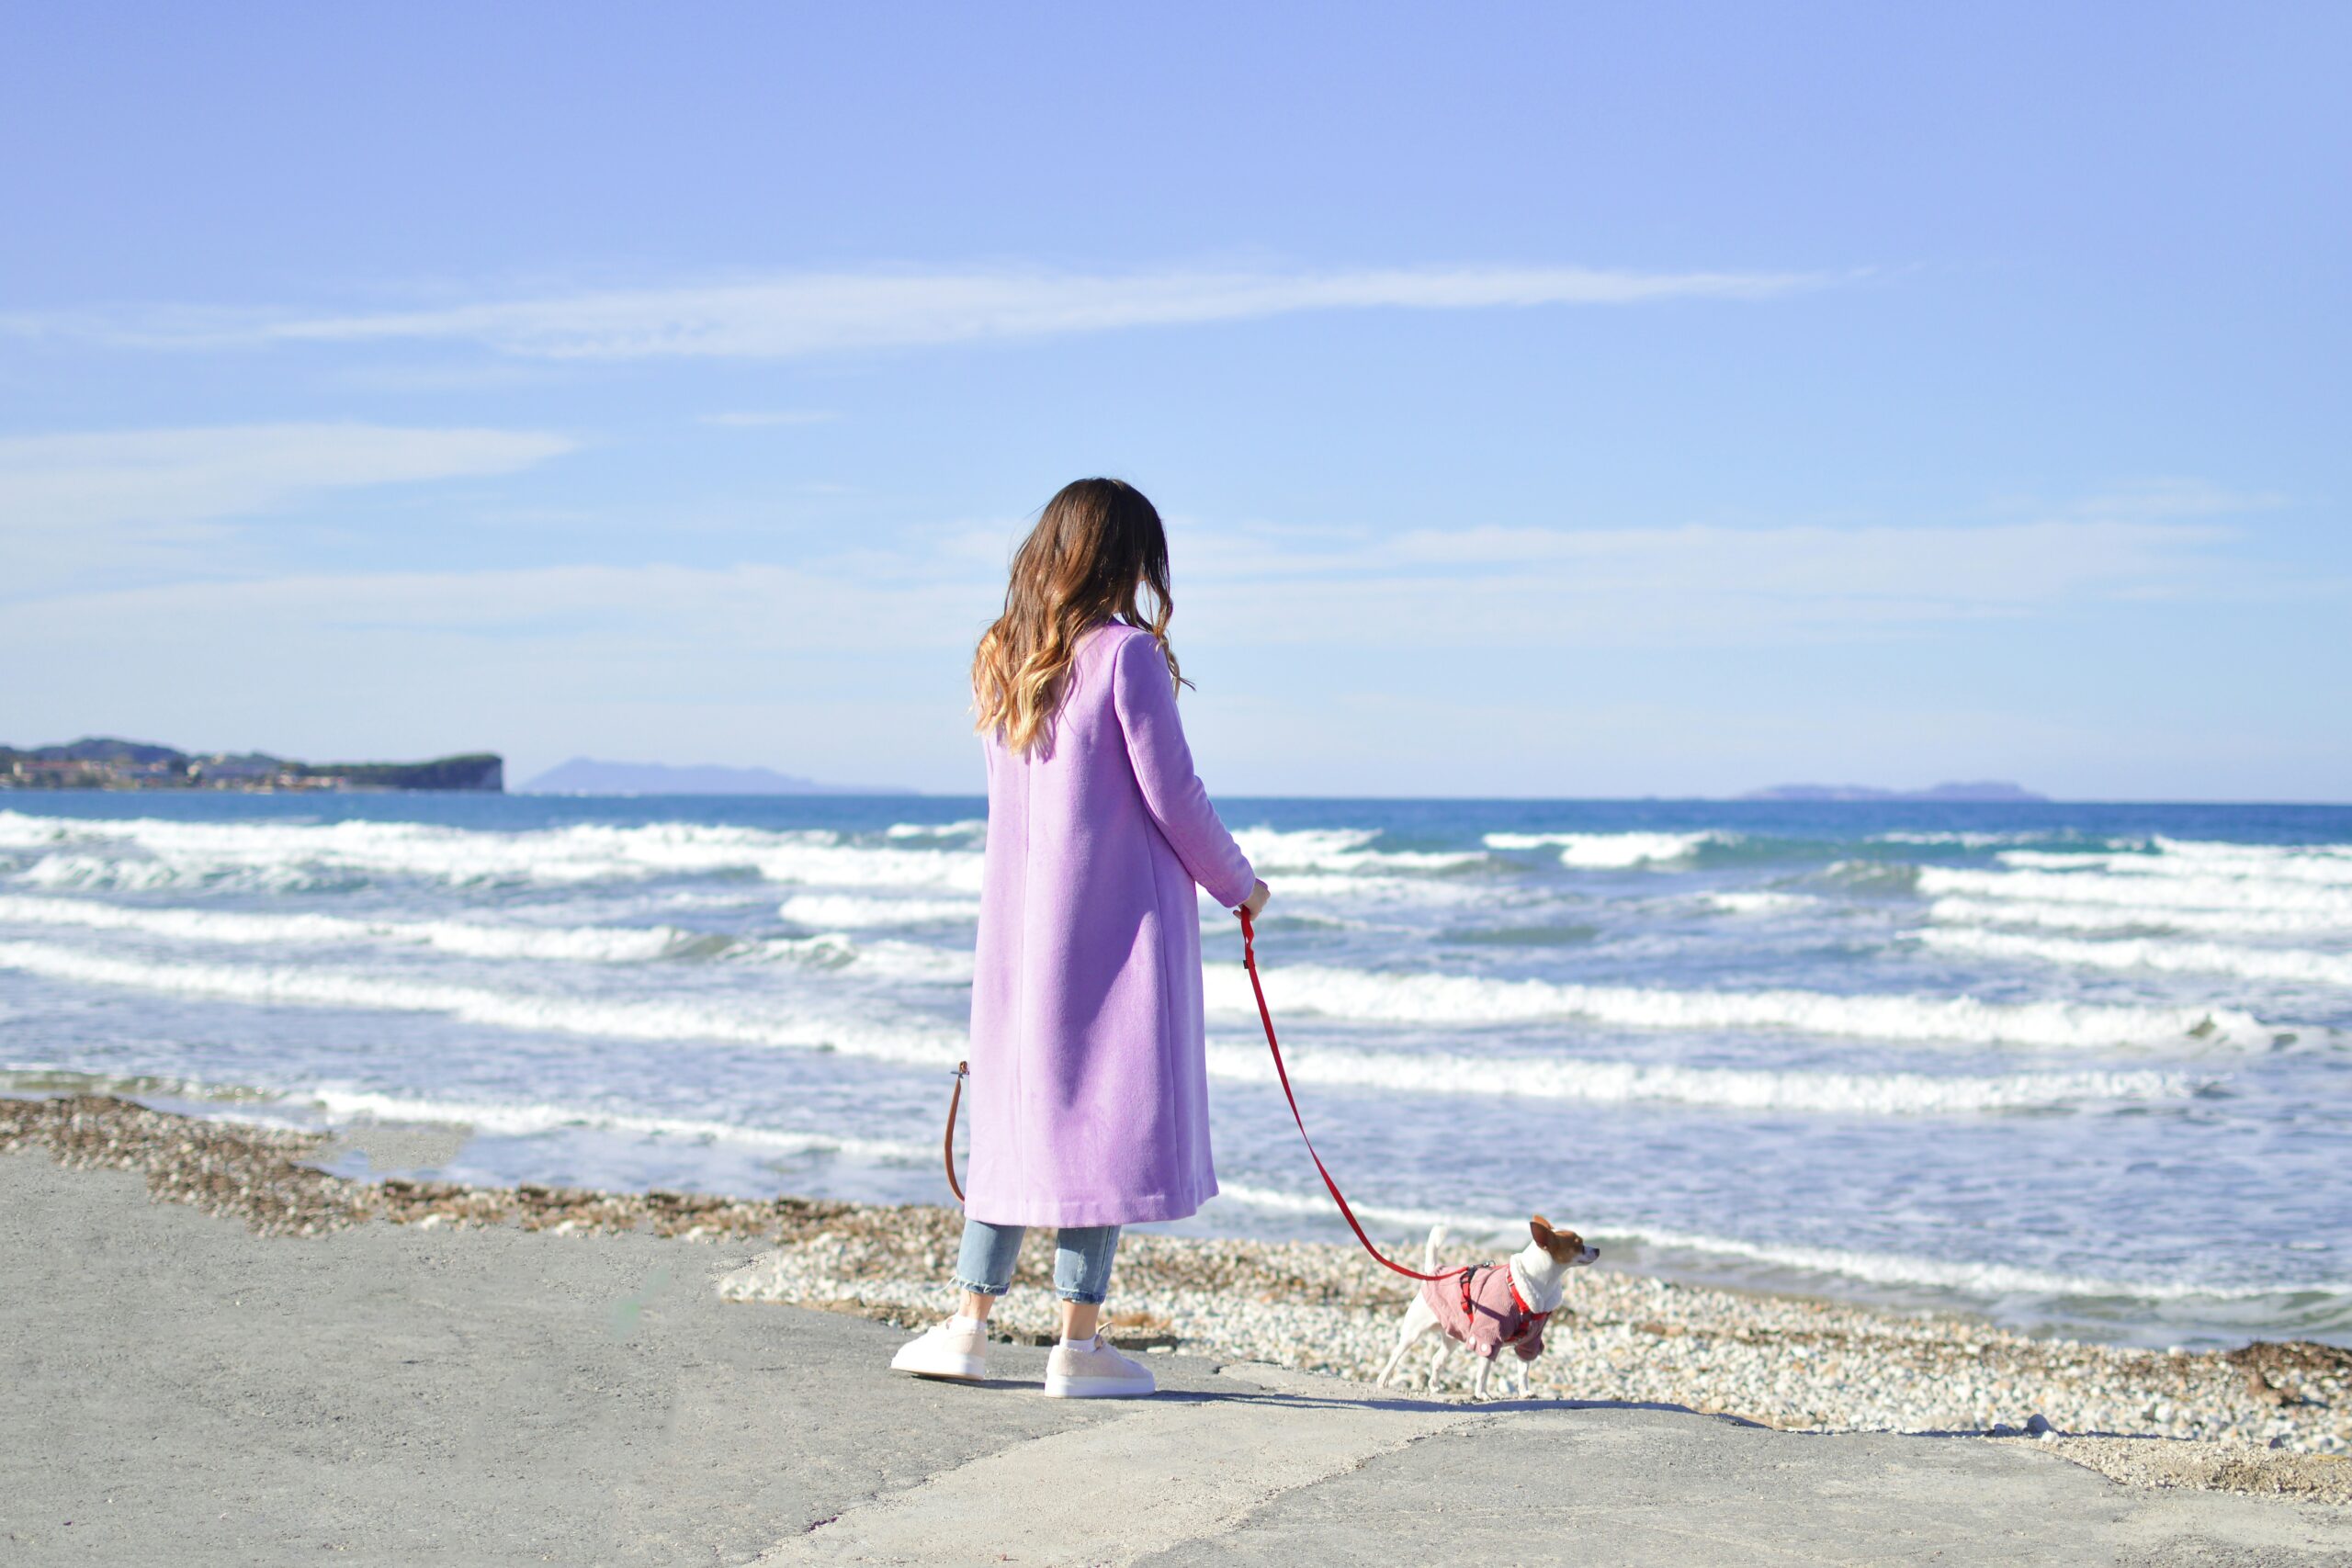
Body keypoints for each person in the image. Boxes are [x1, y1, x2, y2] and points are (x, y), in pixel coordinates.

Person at [889, 477, 1271, 1398]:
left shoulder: (1002, 655)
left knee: (1020, 1123)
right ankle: (1078, 1343)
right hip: (1113, 932)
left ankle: (967, 1327)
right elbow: (1173, 797)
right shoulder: (1125, 657)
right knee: (1097, 1123)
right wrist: (1240, 885)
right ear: (1124, 556)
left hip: (1020, 936)